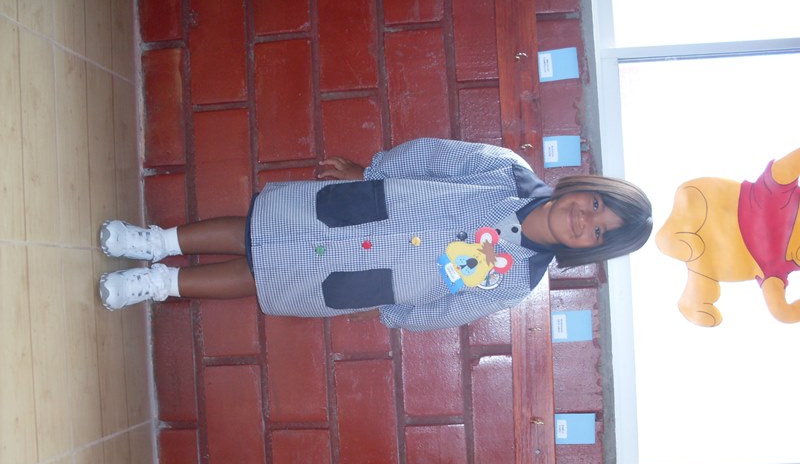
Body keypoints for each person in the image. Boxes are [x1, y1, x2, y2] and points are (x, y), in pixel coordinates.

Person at [98, 138, 652, 331]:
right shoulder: (506, 170)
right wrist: (371, 171)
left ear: (592, 249)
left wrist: (391, 308)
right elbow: (433, 157)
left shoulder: (516, 282)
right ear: (586, 186)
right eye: (595, 205)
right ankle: (158, 242)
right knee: (257, 229)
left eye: (597, 232)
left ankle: (160, 285)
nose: (584, 219)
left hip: (368, 278)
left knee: (262, 279)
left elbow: (447, 311)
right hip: (368, 210)